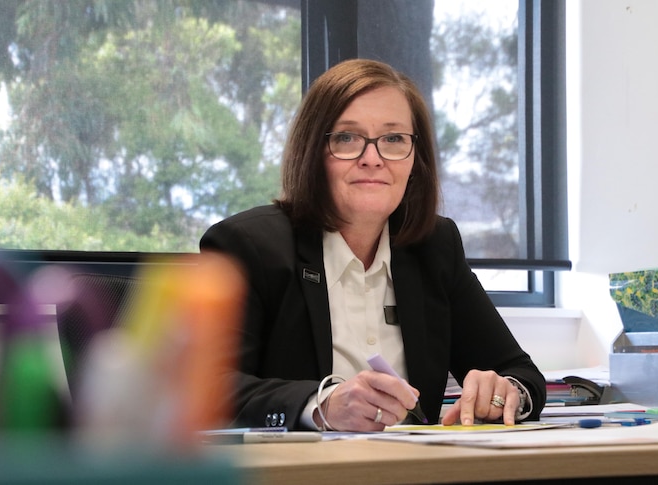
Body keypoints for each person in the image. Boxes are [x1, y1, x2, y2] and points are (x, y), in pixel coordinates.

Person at [200, 58, 546, 432]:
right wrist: (322, 405)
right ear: (313, 152)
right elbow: (205, 389)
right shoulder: (250, 246)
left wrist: (505, 391)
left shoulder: (434, 246)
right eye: (347, 138)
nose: (372, 159)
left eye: (394, 139)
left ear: (416, 160)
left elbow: (520, 372)